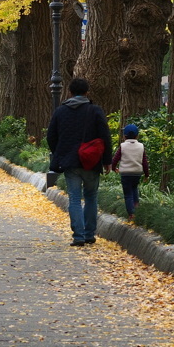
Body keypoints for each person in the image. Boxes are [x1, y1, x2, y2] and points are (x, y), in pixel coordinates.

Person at [47, 77, 113, 246]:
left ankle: (79, 236)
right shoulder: (95, 111)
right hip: (91, 161)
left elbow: (51, 136)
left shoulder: (60, 112)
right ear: (87, 92)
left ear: (69, 92)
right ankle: (90, 233)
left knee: (75, 198)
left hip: (70, 162)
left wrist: (59, 153)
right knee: (91, 196)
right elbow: (105, 136)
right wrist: (107, 160)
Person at [111, 124, 148, 221]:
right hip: (137, 173)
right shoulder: (141, 146)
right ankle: (136, 206)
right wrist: (146, 174)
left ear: (124, 136)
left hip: (125, 173)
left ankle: (131, 214)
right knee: (134, 188)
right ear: (137, 136)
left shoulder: (122, 146)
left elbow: (115, 159)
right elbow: (144, 162)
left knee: (128, 194)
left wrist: (113, 168)